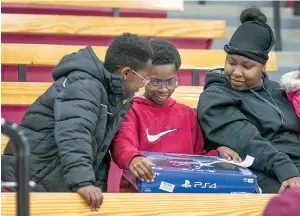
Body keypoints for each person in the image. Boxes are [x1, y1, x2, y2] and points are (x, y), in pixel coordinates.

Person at [1, 33, 153, 210]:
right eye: (144, 78)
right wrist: (83, 182)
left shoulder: (114, 95)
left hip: (58, 178)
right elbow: (75, 133)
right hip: (37, 176)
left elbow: (99, 149)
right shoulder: (84, 85)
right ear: (126, 72)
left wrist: (95, 185)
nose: (143, 85)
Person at [112, 39, 242, 192]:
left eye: (170, 81)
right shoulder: (131, 110)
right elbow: (122, 143)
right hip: (141, 193)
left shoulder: (187, 114)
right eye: (155, 82)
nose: (163, 89)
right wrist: (133, 158)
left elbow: (197, 156)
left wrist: (218, 153)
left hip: (180, 192)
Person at [197, 7, 300, 194]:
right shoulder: (215, 96)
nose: (236, 72)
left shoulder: (279, 91)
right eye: (231, 62)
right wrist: (285, 169)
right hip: (261, 170)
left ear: (263, 67)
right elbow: (246, 141)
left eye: (247, 66)